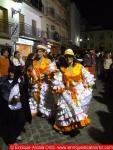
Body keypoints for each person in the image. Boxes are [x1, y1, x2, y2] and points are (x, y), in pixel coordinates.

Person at [53, 49, 95, 133]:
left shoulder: (79, 66)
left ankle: (75, 124)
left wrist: (87, 84)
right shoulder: (62, 68)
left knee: (77, 109)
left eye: (70, 56)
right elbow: (59, 80)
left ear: (73, 57)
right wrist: (60, 86)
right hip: (67, 91)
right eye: (66, 56)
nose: (68, 58)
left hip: (79, 91)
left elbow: (86, 75)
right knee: (65, 110)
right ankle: (65, 127)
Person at [0, 66, 28, 144]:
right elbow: (4, 94)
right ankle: (11, 141)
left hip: (19, 106)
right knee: (11, 124)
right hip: (9, 108)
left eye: (13, 72)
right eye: (10, 72)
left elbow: (24, 92)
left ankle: (16, 133)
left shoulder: (19, 81)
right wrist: (11, 100)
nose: (11, 74)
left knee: (21, 121)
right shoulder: (4, 81)